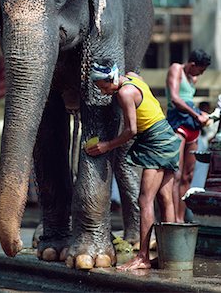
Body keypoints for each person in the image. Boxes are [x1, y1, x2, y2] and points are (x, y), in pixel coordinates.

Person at [86, 60, 180, 270]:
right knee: (166, 200)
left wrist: (107, 146)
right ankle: (170, 256)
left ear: (111, 78)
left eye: (103, 86)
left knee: (145, 200)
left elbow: (131, 131)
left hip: (156, 142)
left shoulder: (124, 93)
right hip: (168, 137)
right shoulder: (132, 77)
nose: (102, 91)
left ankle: (143, 257)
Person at [166, 49, 211, 223]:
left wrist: (201, 116)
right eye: (200, 69)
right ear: (192, 65)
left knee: (188, 176)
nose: (201, 73)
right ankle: (172, 219)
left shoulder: (194, 78)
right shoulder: (176, 69)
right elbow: (176, 99)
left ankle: (181, 217)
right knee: (175, 174)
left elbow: (189, 99)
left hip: (192, 123)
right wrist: (197, 114)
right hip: (178, 120)